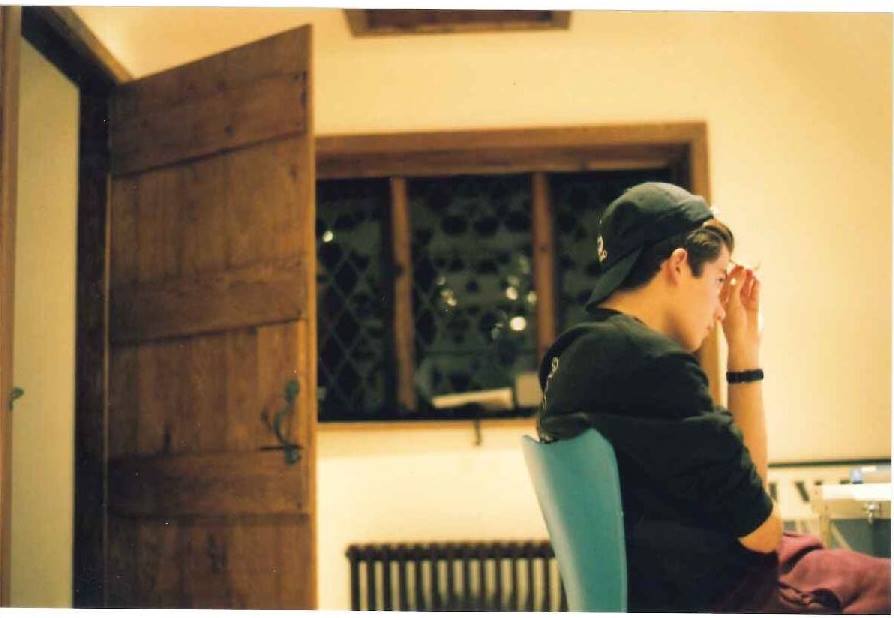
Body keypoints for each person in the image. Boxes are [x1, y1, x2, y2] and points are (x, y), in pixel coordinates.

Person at [536, 181, 891, 613]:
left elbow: (749, 503)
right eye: (719, 279)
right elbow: (763, 530)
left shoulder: (575, 356)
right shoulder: (652, 364)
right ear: (679, 265)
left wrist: (742, 353)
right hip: (715, 593)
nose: (722, 308)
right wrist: (743, 351)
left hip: (665, 587)